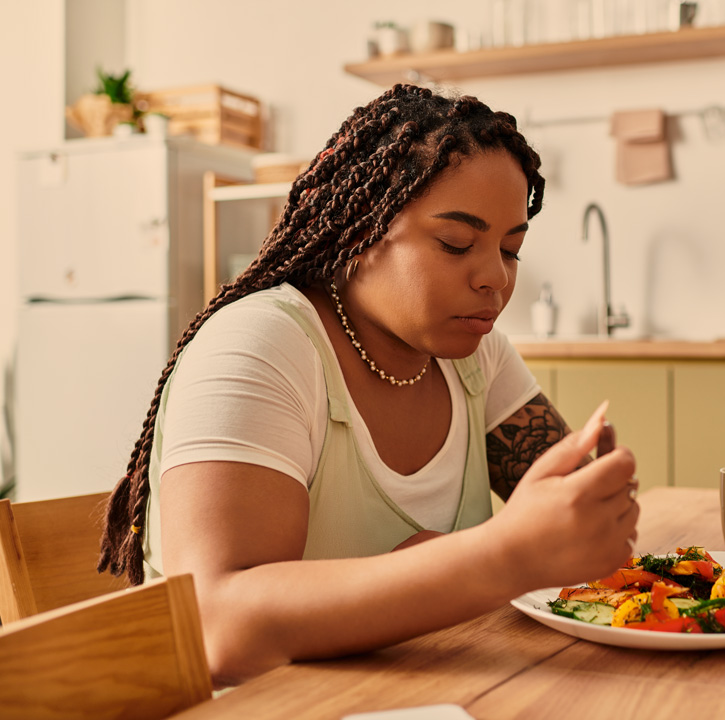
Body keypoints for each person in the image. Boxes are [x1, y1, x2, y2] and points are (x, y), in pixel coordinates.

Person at [98, 84, 638, 687]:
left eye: (511, 249)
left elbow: (576, 528)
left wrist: (588, 512)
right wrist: (491, 557)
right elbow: (215, 624)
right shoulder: (260, 346)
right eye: (456, 243)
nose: (496, 279)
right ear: (361, 231)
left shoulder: (474, 357)